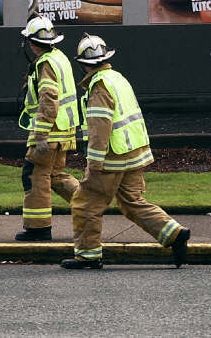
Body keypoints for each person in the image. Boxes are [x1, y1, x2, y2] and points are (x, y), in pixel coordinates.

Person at [61, 33, 190, 269]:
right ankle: (175, 234)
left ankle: (88, 255)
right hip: (134, 152)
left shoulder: (99, 87)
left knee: (85, 203)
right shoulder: (117, 78)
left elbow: (100, 131)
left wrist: (94, 166)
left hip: (113, 157)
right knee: (132, 201)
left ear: (83, 64)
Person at [15, 15, 81, 241]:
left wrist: (40, 134)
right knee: (54, 175)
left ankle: (37, 228)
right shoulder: (59, 57)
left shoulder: (45, 64)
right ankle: (89, 205)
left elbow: (49, 100)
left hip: (49, 132)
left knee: (34, 175)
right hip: (64, 130)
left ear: (32, 43)